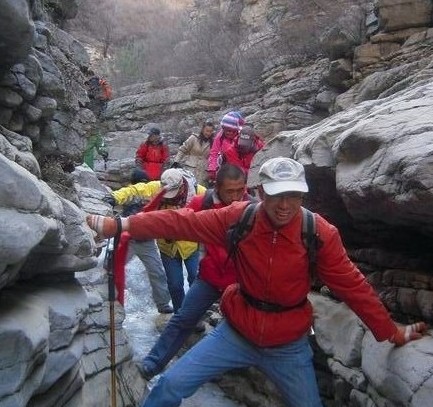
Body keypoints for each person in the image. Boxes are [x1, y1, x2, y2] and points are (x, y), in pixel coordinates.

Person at [87, 157, 427, 407]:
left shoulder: (318, 233)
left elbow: (353, 286)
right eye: (276, 195)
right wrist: (123, 225)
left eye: (293, 195)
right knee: (171, 386)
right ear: (261, 192)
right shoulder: (241, 217)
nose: (285, 205)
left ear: (303, 195)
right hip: (236, 331)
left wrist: (391, 333)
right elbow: (182, 222)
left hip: (288, 344)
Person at [137, 164, 253, 380]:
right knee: (183, 318)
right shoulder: (204, 202)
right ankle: (152, 364)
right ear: (217, 187)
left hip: (241, 281)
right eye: (230, 191)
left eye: (240, 190)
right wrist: (132, 225)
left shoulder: (254, 208)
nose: (236, 197)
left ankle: (233, 369)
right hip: (211, 276)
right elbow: (178, 222)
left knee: (239, 325)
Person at [105, 168, 206, 311]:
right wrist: (115, 196)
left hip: (190, 245)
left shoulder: (197, 191)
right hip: (167, 247)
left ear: (182, 186)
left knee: (195, 279)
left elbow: (215, 204)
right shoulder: (158, 187)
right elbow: (136, 189)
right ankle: (180, 313)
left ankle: (196, 312)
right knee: (175, 285)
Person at [104, 168, 172, 313]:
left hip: (144, 240)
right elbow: (127, 193)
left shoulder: (154, 192)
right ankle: (110, 298)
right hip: (128, 239)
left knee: (156, 272)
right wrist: (114, 197)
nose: (143, 185)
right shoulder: (132, 192)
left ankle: (163, 304)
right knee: (114, 269)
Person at [172, 119, 215, 186]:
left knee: (201, 190)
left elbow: (213, 157)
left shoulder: (213, 142)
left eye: (210, 131)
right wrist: (176, 161)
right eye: (207, 131)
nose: (208, 133)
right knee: (189, 187)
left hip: (203, 172)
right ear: (202, 130)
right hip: (190, 169)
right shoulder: (193, 138)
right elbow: (183, 149)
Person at [207, 111, 244, 183]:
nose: (228, 132)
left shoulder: (242, 138)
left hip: (240, 169)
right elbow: (214, 153)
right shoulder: (220, 137)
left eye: (231, 130)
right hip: (225, 169)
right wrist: (212, 169)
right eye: (225, 130)